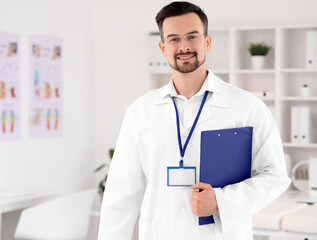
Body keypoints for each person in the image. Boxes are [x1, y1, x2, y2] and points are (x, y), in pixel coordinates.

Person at [98, 2, 291, 240]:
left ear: (207, 42)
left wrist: (222, 201)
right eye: (174, 39)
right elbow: (120, 195)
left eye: (192, 36)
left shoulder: (247, 107)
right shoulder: (140, 112)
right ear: (162, 47)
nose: (184, 46)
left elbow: (275, 176)